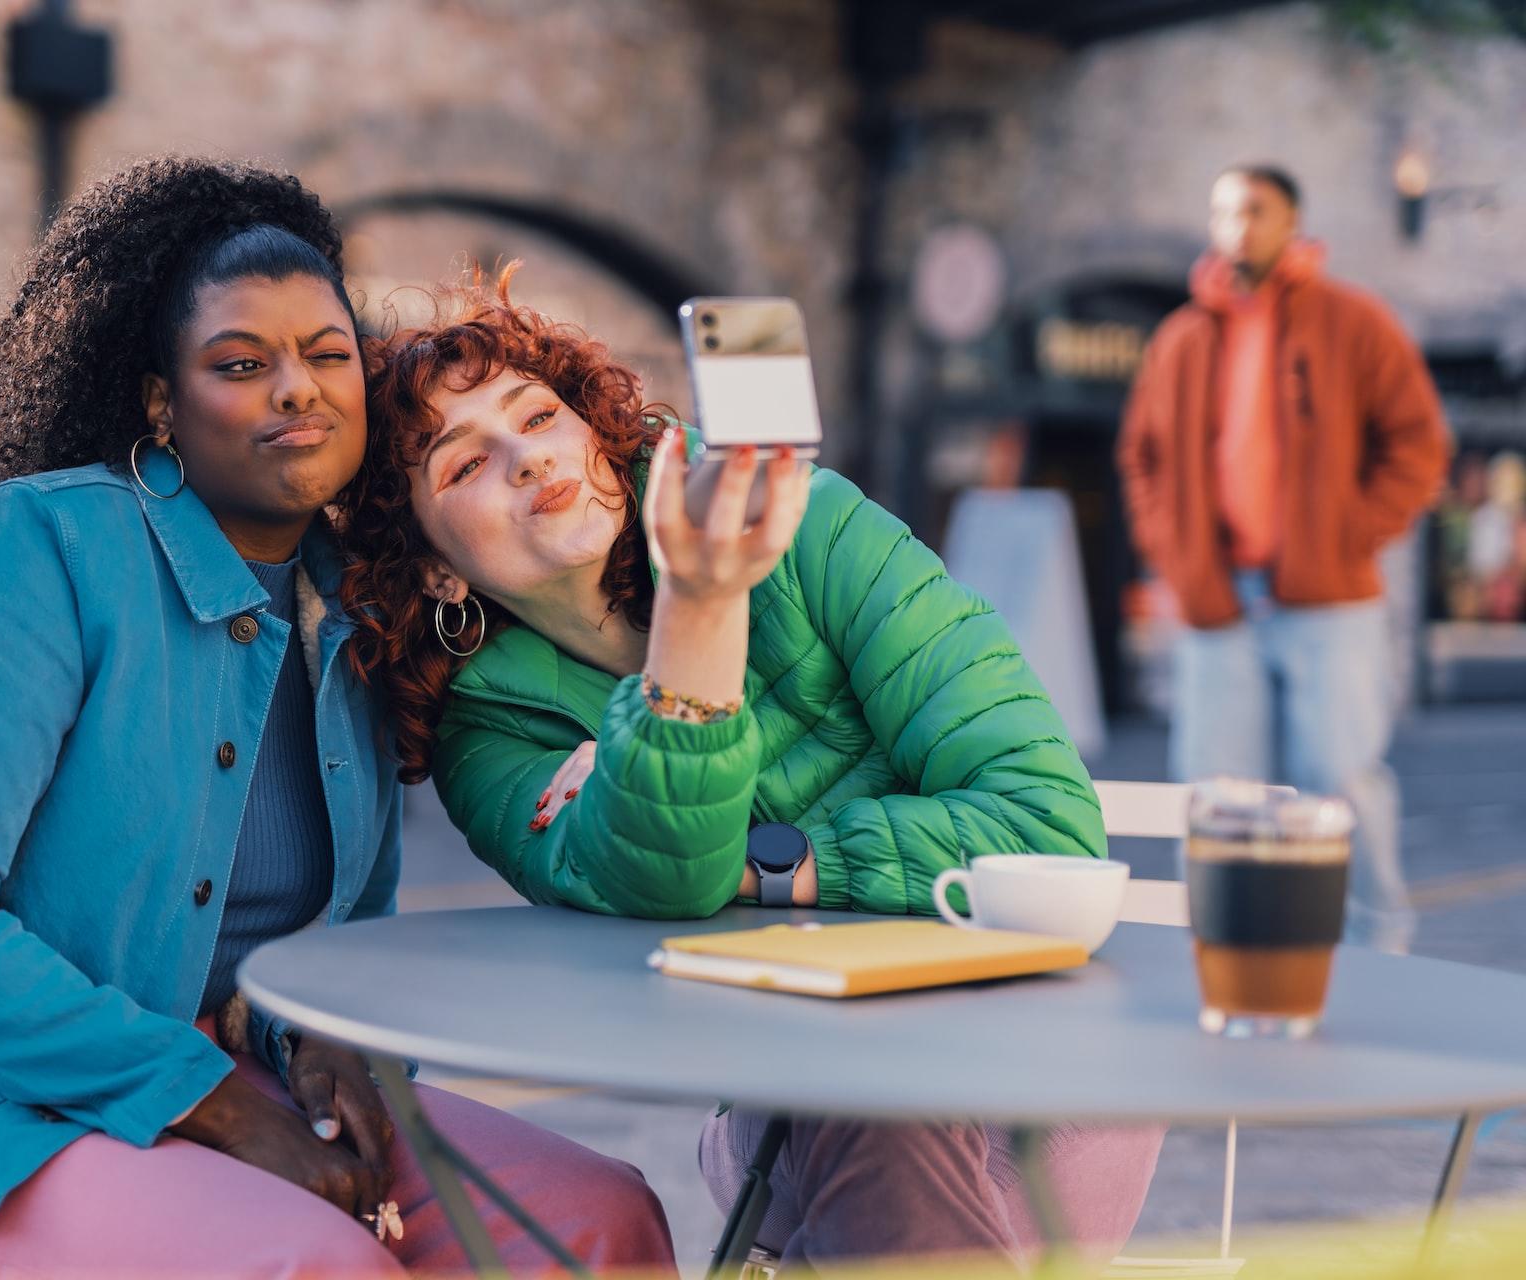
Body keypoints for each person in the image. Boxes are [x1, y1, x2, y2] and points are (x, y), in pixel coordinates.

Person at [0, 160, 674, 1277]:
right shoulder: (32, 557)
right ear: (161, 403)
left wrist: (312, 1040)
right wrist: (214, 1098)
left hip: (213, 1095)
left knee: (598, 1220)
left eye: (329, 355)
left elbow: (346, 917)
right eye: (240, 363)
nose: (297, 389)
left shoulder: (358, 599)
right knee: (311, 1261)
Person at [339, 270, 1162, 1273]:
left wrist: (766, 861)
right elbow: (663, 876)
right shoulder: (486, 728)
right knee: (861, 1080)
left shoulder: (812, 524)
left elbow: (1046, 824)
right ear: (432, 566)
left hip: (1040, 1065)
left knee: (872, 1099)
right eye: (465, 462)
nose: (527, 457)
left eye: (542, 414)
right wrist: (701, 604)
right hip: (789, 1094)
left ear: (596, 429)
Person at [1117, 165, 1452, 953]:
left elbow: (1419, 442)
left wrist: (1350, 533)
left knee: (1342, 782)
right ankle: (1215, 948)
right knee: (1213, 794)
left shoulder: (1354, 322)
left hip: (1329, 600)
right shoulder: (1181, 338)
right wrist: (1175, 555)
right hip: (1217, 597)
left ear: (1291, 220)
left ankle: (1378, 948)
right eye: (1224, 211)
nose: (1237, 227)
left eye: (1255, 211)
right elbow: (1142, 457)